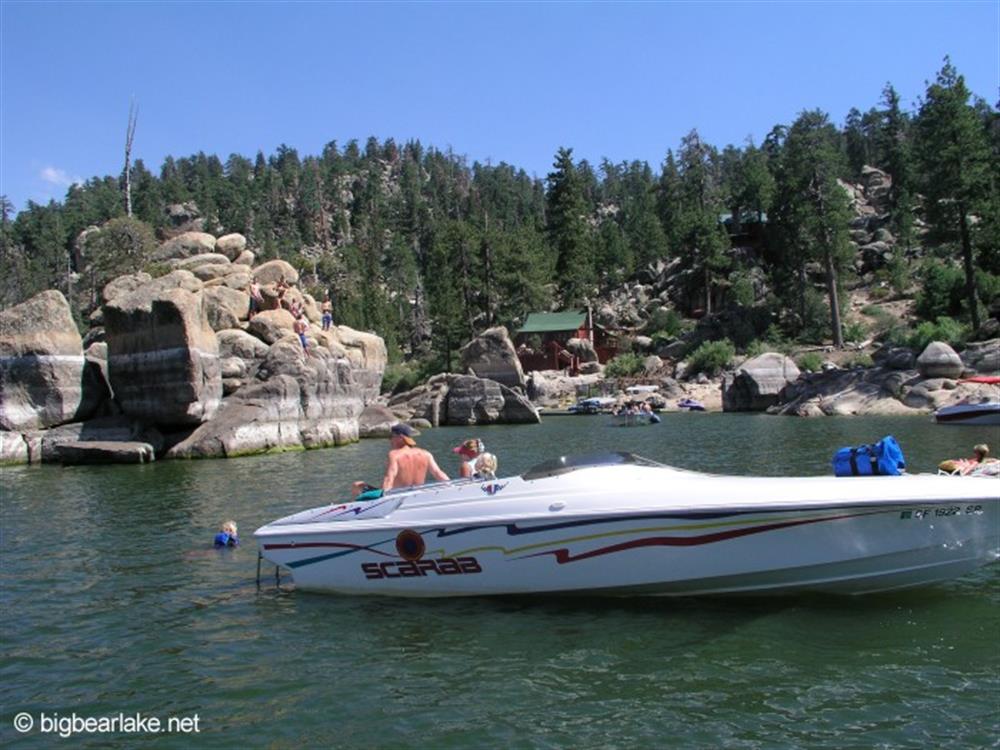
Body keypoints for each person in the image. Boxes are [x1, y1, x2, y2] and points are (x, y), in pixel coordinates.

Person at [382, 423, 449, 490]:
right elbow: (438, 473)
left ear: (400, 437)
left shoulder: (394, 455)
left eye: (391, 436)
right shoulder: (425, 454)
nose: (390, 440)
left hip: (399, 497)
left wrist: (383, 495)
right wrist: (451, 486)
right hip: (417, 495)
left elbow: (389, 478)